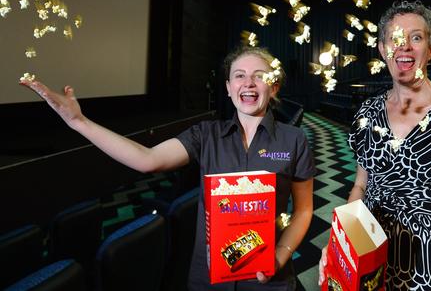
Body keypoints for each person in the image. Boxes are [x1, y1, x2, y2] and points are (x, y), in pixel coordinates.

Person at [21, 46, 315, 291]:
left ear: (273, 86)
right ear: (228, 88)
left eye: (259, 76)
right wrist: (78, 122)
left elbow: (302, 210)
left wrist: (281, 255)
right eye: (239, 76)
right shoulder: (205, 135)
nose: (248, 83)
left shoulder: (295, 139)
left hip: (270, 280)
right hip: (209, 278)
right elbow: (146, 159)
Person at [318, 0, 431, 290]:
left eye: (415, 37)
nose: (404, 46)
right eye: (395, 38)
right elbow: (361, 187)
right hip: (373, 267)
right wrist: (340, 244)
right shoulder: (367, 113)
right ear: (382, 49)